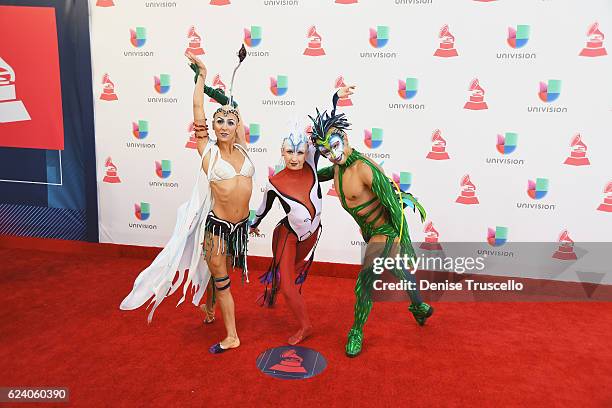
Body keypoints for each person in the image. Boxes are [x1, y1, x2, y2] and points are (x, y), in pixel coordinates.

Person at [120, 50, 253, 354]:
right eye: (218, 121)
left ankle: (209, 306)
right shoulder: (208, 152)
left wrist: (231, 102)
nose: (222, 125)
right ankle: (232, 335)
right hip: (218, 230)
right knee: (223, 282)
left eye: (229, 121)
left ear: (236, 127)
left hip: (240, 228)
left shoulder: (244, 150)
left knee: (221, 275)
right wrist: (202, 76)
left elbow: (237, 112)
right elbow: (197, 107)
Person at [309, 86, 433, 357]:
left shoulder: (365, 169)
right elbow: (318, 174)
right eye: (325, 150)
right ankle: (420, 306)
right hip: (370, 232)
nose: (332, 154)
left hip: (386, 231)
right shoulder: (339, 167)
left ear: (346, 139)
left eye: (335, 146)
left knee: (366, 279)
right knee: (398, 271)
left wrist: (406, 243)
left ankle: (356, 331)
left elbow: (394, 207)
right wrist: (297, 170)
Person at [249, 123, 322, 345]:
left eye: (300, 152)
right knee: (289, 285)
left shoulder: (311, 165)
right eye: (290, 151)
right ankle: (305, 326)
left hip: (310, 237)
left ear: (307, 153)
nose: (294, 157)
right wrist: (253, 224)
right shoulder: (276, 182)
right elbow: (263, 208)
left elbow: (325, 128)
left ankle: (272, 293)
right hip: (286, 237)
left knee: (287, 272)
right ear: (282, 152)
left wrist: (336, 98)